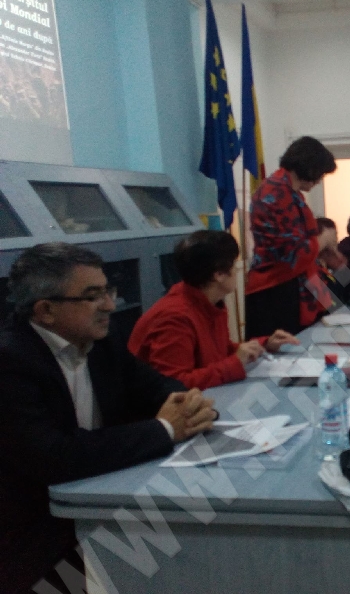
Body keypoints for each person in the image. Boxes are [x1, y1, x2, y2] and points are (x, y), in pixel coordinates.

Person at [0, 243, 217, 594]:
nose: (110, 305)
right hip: (35, 528)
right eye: (93, 296)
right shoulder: (10, 361)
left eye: (108, 291)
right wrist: (164, 429)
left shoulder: (101, 338)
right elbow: (54, 456)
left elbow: (154, 386)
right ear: (46, 310)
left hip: (103, 494)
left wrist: (188, 403)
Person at [129, 231, 300, 390]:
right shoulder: (174, 318)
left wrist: (263, 344)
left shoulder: (208, 302)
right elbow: (175, 384)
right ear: (218, 275)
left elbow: (218, 352)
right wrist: (234, 364)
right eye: (234, 265)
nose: (237, 271)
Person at [245, 136, 338, 338]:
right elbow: (293, 253)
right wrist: (324, 239)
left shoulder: (290, 191)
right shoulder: (276, 192)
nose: (319, 180)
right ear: (310, 167)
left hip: (291, 284)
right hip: (275, 289)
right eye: (320, 173)